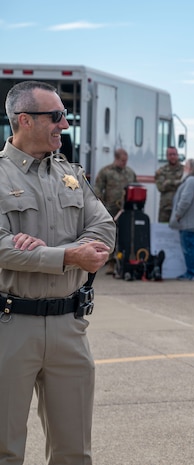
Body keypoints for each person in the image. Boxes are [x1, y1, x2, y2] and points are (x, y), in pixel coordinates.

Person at [0, 81, 115, 463]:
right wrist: (68, 256)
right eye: (56, 116)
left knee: (73, 450)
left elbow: (104, 229)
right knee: (5, 447)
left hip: (70, 326)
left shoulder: (71, 174)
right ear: (24, 120)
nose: (64, 124)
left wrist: (52, 252)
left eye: (63, 116)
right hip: (10, 326)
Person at [169, 158, 194, 281]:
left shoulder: (190, 181)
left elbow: (185, 200)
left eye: (186, 166)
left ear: (190, 169)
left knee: (189, 248)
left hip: (188, 223)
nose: (184, 169)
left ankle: (191, 273)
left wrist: (178, 215)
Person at [93, 147, 137, 217]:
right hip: (110, 209)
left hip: (127, 209)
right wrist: (100, 204)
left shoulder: (130, 173)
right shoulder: (106, 171)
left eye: (126, 160)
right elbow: (98, 189)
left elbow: (136, 188)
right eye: (122, 160)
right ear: (116, 158)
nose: (125, 163)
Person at [155, 146, 184, 223]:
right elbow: (160, 187)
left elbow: (185, 186)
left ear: (177, 155)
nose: (172, 156)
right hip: (165, 209)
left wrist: (168, 182)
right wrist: (177, 183)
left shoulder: (184, 170)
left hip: (180, 208)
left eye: (174, 154)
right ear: (167, 156)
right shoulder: (161, 171)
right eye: (170, 154)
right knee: (163, 232)